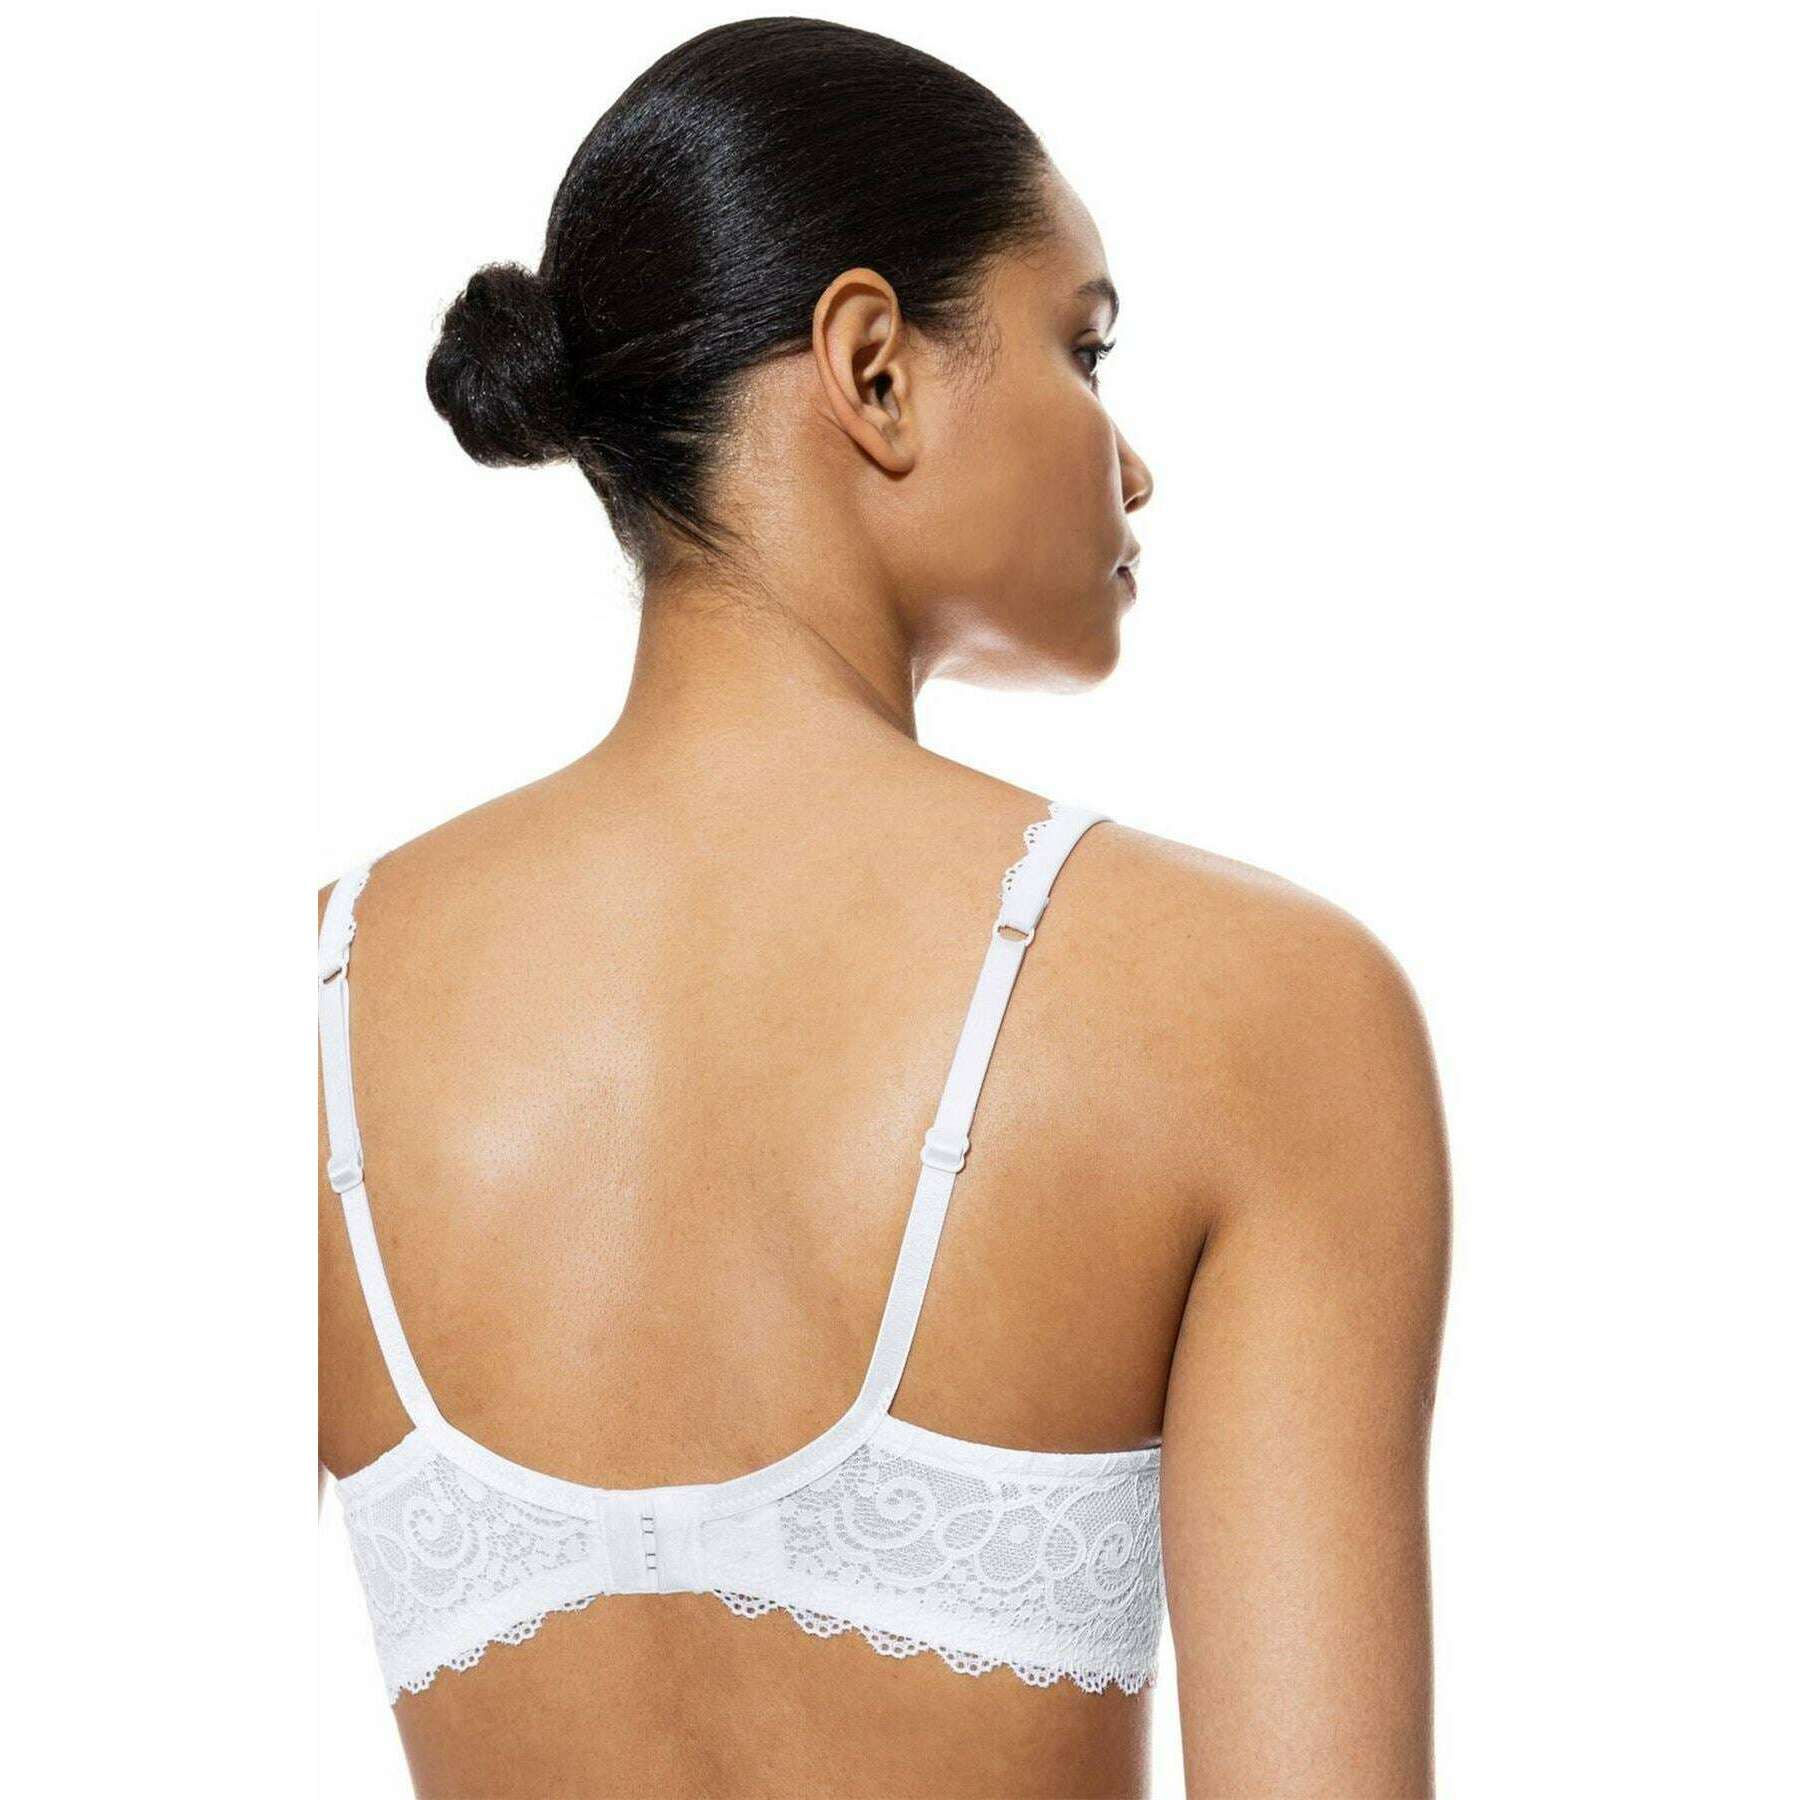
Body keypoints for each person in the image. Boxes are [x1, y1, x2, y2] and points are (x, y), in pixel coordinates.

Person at [318, 18, 1450, 1797]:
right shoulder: (1251, 1006)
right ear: (874, 369)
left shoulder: (312, 1005)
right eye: (1084, 346)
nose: (1132, 464)